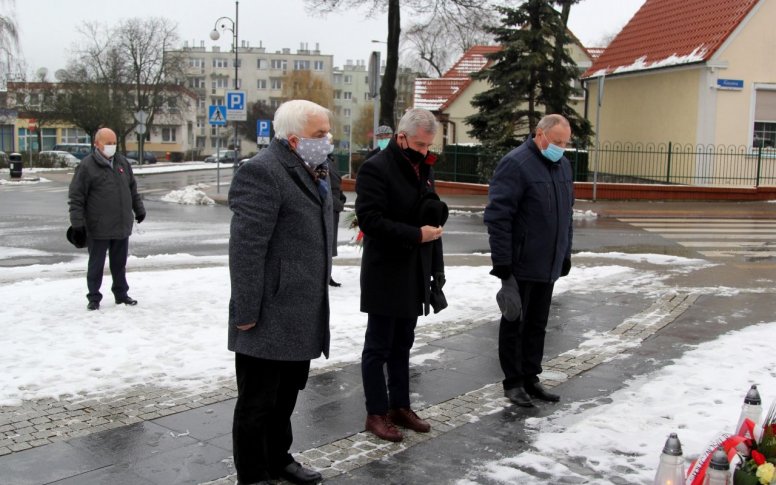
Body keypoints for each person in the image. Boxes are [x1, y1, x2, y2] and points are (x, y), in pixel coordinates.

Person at [228, 99, 333, 485]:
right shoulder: (262, 173)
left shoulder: (314, 169)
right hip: (267, 312)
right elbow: (246, 249)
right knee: (257, 402)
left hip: (302, 309)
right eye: (320, 134)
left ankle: (278, 458)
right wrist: (245, 312)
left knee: (286, 395)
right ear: (293, 140)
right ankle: (254, 474)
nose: (328, 140)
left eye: (327, 132)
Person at [356, 108, 447, 442]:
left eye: (428, 146)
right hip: (385, 272)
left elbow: (429, 215)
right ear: (401, 137)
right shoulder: (375, 168)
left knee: (403, 345)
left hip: (415, 272)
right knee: (378, 347)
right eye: (420, 144)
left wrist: (435, 267)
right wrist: (416, 235)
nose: (424, 151)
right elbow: (370, 221)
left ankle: (400, 406)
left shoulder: (423, 167)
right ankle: (376, 413)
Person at [484, 114, 574, 408]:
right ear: (540, 134)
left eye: (565, 143)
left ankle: (531, 376)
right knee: (515, 323)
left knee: (538, 323)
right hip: (520, 263)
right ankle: (513, 382)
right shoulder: (516, 163)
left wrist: (565, 252)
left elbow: (567, 215)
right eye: (557, 142)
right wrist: (503, 265)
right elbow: (498, 217)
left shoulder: (563, 166)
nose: (561, 147)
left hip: (548, 262)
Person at [67, 127, 145, 311]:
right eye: (107, 143)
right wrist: (77, 224)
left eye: (113, 143)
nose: (111, 147)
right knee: (96, 265)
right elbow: (76, 197)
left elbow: (132, 189)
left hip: (121, 224)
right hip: (98, 226)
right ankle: (94, 297)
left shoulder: (122, 162)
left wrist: (139, 209)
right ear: (97, 144)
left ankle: (121, 294)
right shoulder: (87, 166)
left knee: (119, 264)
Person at [327, 134, 346, 287]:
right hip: (330, 206)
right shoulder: (320, 162)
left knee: (331, 242)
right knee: (327, 242)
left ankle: (328, 274)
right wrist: (338, 203)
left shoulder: (331, 160)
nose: (330, 144)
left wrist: (341, 196)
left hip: (334, 205)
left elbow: (336, 182)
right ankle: (325, 275)